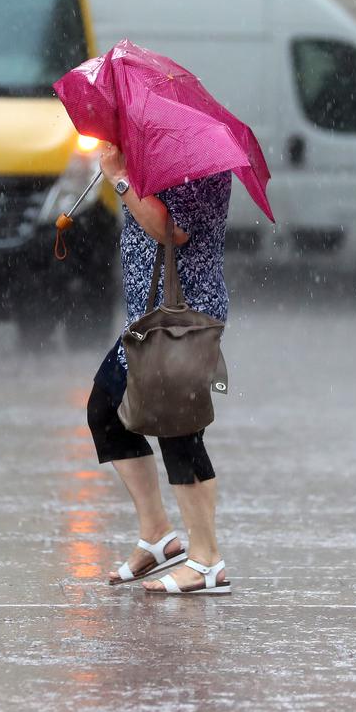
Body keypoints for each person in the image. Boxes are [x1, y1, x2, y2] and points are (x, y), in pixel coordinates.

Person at [86, 143, 233, 596]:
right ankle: (157, 534)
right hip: (148, 319)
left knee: (179, 431)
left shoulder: (196, 157)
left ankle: (206, 560)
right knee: (106, 410)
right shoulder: (157, 150)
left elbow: (173, 229)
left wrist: (119, 178)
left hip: (182, 318)